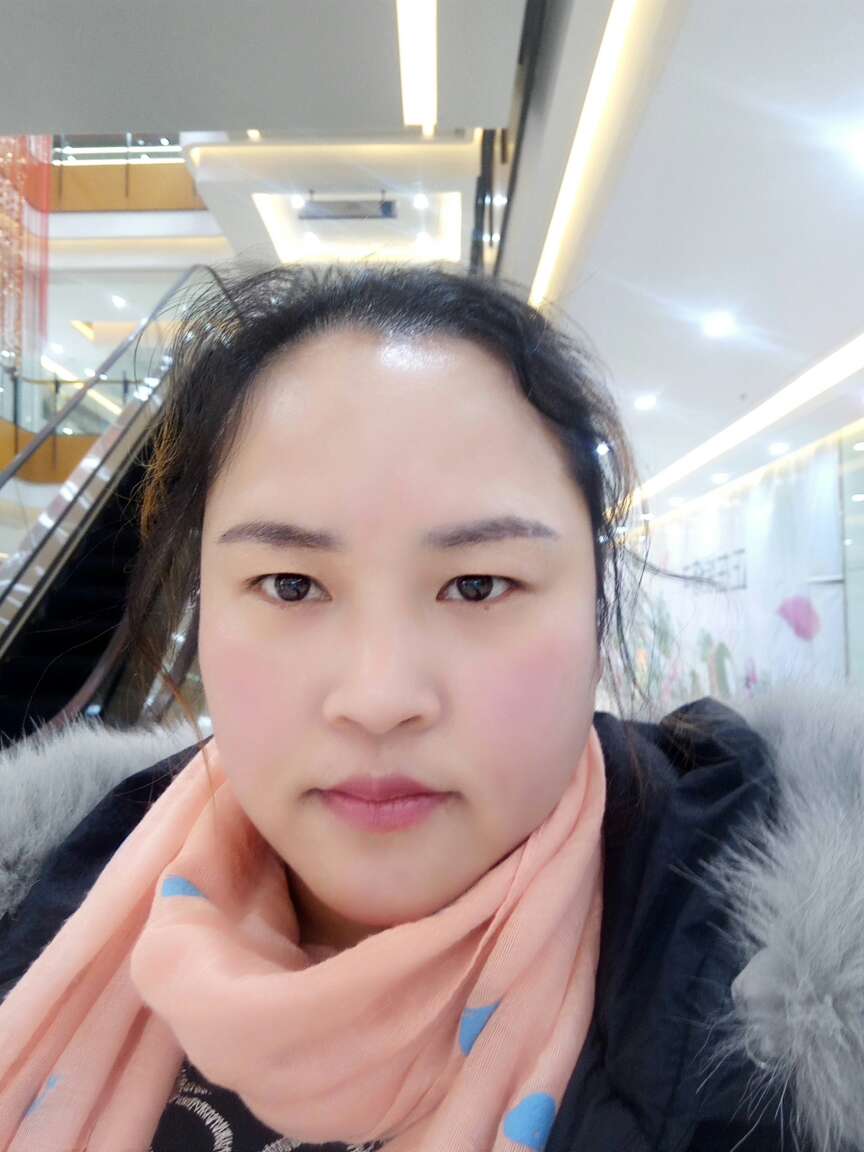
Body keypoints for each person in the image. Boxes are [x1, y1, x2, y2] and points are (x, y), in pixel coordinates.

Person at [0, 263, 860, 1152]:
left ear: (595, 614)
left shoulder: (789, 1032)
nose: (379, 700)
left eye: (477, 585)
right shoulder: (41, 896)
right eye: (291, 584)